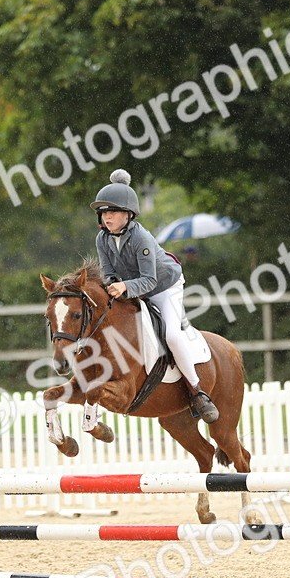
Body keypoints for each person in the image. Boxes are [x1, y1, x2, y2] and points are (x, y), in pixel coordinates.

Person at [89, 169, 219, 424]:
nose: (107, 216)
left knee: (171, 334)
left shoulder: (142, 238)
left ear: (128, 214)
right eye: (104, 212)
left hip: (164, 287)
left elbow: (150, 280)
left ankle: (197, 391)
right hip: (134, 288)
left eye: (112, 212)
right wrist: (115, 286)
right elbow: (109, 273)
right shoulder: (102, 238)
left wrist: (124, 287)